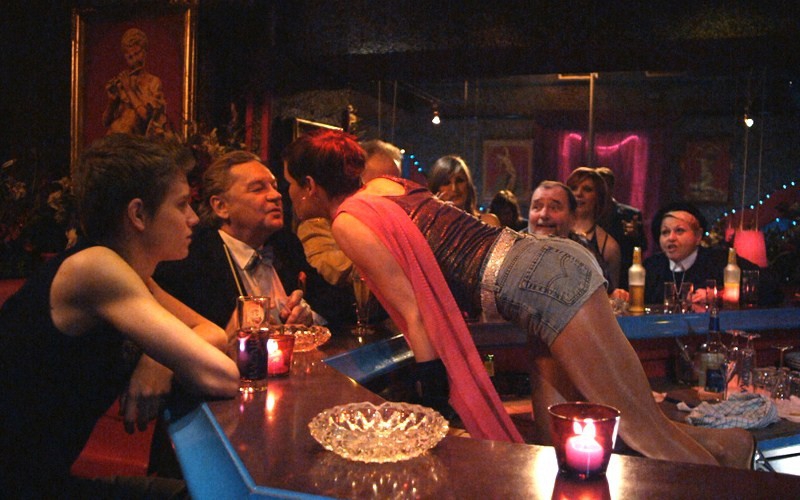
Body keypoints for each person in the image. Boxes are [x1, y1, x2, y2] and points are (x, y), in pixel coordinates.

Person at [281, 129, 753, 469]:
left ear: (310, 185)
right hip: (545, 266)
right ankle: (735, 448)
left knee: (639, 430)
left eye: (288, 183)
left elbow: (413, 310)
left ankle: (729, 488)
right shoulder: (383, 188)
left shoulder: (347, 221)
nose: (288, 194)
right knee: (563, 435)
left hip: (536, 283)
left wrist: (434, 395)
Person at [0, 134, 239, 497]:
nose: (193, 219)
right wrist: (166, 356)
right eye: (181, 205)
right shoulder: (95, 268)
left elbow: (213, 333)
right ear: (138, 214)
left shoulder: (130, 273)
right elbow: (222, 375)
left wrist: (156, 362)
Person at [154, 150, 354, 335]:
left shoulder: (285, 244)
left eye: (274, 186)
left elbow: (336, 304)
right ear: (221, 206)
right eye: (258, 189)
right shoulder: (193, 258)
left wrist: (310, 317)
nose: (276, 195)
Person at [297, 139, 402, 286]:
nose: (388, 192)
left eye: (396, 183)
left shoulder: (398, 219)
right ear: (357, 181)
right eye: (378, 183)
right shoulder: (319, 223)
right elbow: (331, 269)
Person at [643, 202, 779, 306]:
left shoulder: (721, 261)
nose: (671, 238)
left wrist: (720, 295)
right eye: (665, 232)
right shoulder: (650, 267)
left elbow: (771, 287)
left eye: (679, 231)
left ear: (698, 236)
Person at [527, 180, 625, 298]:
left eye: (554, 208)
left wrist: (615, 296)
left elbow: (606, 295)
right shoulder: (512, 247)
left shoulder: (585, 252)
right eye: (536, 207)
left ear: (573, 217)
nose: (544, 215)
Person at [103, 28, 173, 138]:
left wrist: (129, 90)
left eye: (137, 53)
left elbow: (146, 116)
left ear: (144, 52)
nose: (135, 59)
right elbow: (105, 122)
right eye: (130, 56)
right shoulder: (123, 80)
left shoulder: (153, 82)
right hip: (113, 137)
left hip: (133, 141)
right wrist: (112, 101)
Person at [566, 167, 622, 290]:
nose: (578, 193)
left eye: (587, 189)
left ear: (598, 197)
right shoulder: (555, 230)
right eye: (573, 188)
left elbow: (612, 293)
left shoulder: (609, 247)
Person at [595, 167, 647, 289]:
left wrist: (635, 236)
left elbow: (643, 247)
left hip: (623, 276)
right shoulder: (587, 214)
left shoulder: (629, 214)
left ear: (612, 187)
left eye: (605, 185)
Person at [427, 155, 501, 227]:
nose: (454, 188)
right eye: (446, 183)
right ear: (436, 189)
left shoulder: (488, 222)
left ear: (468, 184)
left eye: (459, 181)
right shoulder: (429, 225)